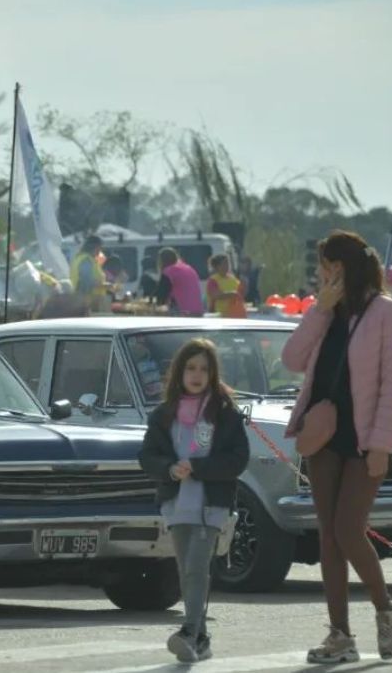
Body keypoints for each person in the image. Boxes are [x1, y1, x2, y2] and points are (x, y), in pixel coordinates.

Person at [281, 231, 392, 663]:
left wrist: (382, 445)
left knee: (348, 528)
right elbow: (292, 359)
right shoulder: (326, 312)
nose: (324, 275)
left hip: (365, 437)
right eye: (322, 268)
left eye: (330, 268)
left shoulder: (384, 312)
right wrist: (318, 312)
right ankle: (340, 635)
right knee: (328, 538)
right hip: (324, 435)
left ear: (348, 267)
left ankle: (386, 611)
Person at [138, 337, 249, 664]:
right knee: (185, 568)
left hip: (210, 504)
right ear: (179, 372)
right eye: (191, 368)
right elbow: (147, 456)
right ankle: (199, 638)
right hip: (177, 503)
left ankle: (189, 630)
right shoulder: (163, 414)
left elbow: (238, 459)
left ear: (213, 373)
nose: (197, 374)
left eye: (204, 368)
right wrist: (169, 469)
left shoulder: (226, 414)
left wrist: (199, 467)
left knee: (197, 567)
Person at [155, 247, 205, 316]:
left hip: (182, 312)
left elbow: (162, 295)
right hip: (198, 310)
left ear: (161, 260)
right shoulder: (188, 268)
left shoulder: (168, 271)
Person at [70, 235, 109, 311]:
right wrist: (104, 285)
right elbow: (86, 281)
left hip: (84, 299)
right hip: (89, 301)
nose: (100, 251)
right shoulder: (86, 260)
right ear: (96, 247)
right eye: (100, 248)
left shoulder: (81, 258)